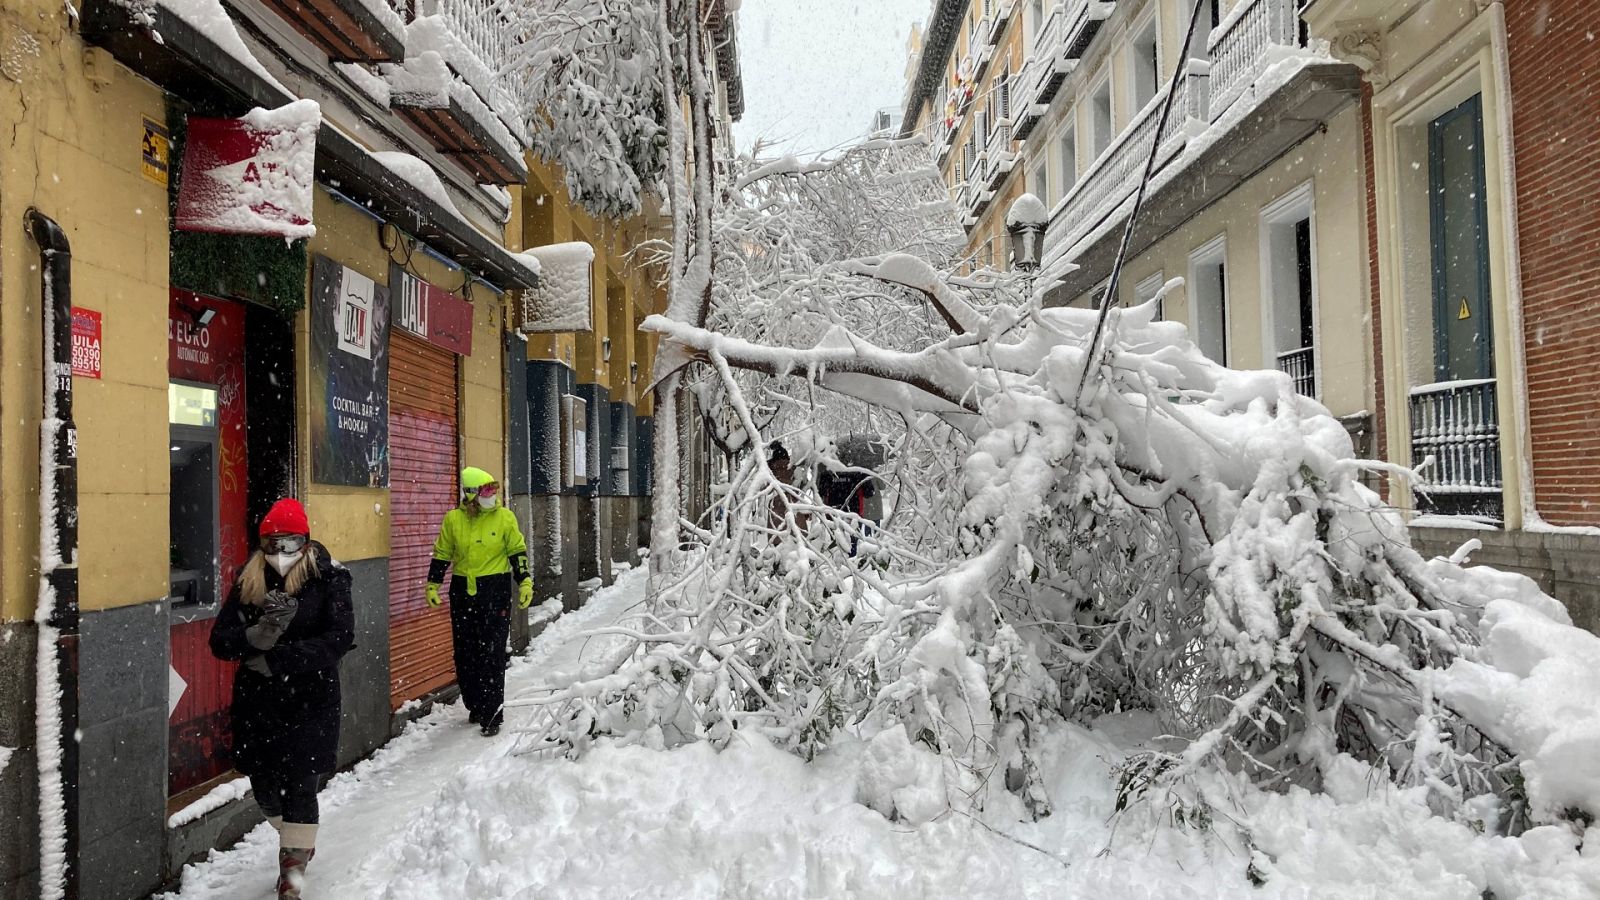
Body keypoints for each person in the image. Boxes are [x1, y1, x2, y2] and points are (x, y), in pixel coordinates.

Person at [209, 498, 353, 900]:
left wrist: (281, 659)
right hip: (259, 707)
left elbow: (339, 639)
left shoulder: (331, 578)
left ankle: (292, 875)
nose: (278, 554)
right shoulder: (249, 579)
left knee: (301, 788)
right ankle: (297, 840)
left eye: (288, 544)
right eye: (270, 545)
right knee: (266, 790)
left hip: (311, 702)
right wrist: (250, 638)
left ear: (305, 542)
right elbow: (219, 641)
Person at [425, 466, 533, 736]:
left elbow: (517, 551)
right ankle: (475, 702)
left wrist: (525, 581)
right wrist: (433, 584)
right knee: (465, 654)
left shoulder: (504, 518)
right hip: (462, 592)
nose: (492, 495)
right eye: (486, 490)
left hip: (494, 591)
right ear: (471, 494)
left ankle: (492, 712)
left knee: (493, 653)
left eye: (494, 489)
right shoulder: (453, 520)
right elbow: (442, 552)